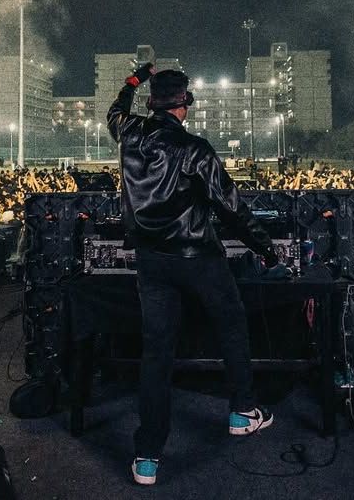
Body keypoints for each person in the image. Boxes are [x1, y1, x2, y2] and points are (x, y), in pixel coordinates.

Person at [108, 64, 279, 486]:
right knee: (232, 324)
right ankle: (242, 412)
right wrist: (266, 249)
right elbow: (231, 208)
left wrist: (133, 81)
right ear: (185, 105)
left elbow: (115, 110)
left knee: (157, 353)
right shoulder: (195, 149)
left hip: (152, 261)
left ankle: (148, 457)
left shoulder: (128, 133)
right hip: (198, 257)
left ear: (152, 103)